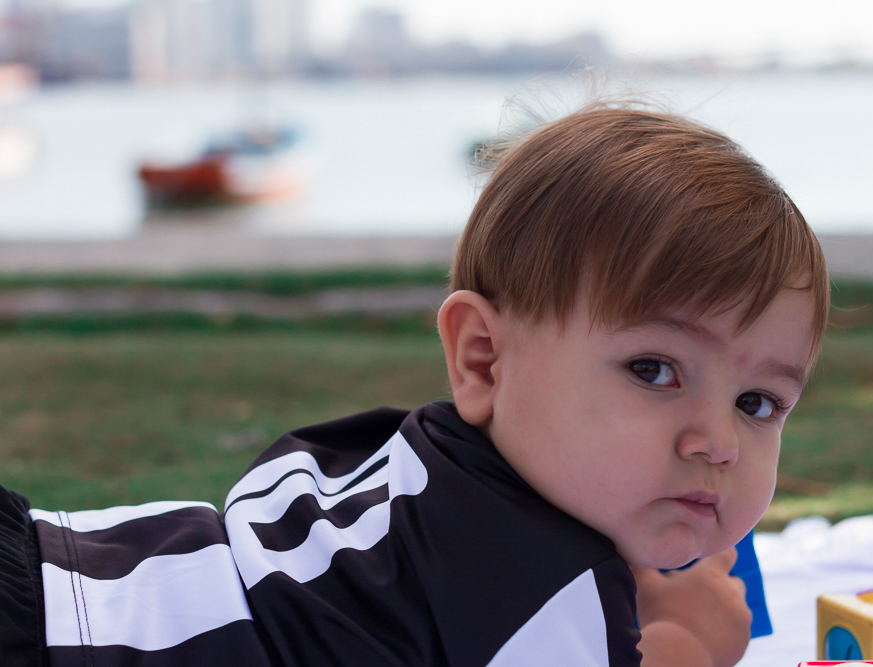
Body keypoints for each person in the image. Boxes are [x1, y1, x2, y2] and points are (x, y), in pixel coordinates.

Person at [0, 103, 829, 667]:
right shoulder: (550, 587)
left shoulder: (435, 457)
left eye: (757, 402)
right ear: (482, 360)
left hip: (68, 569)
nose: (715, 441)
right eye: (654, 370)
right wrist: (688, 643)